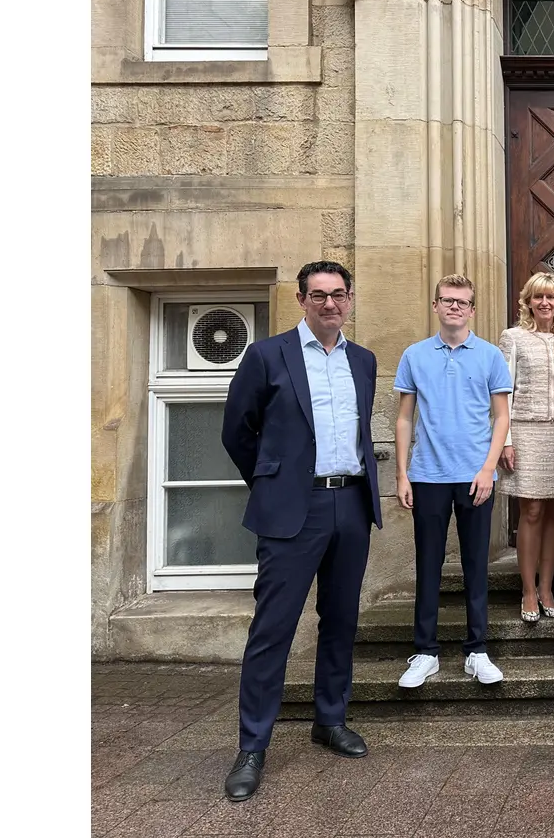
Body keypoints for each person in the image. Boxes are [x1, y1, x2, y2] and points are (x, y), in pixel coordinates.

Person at [219, 261, 383, 801]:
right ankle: (252, 746)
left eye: (339, 295)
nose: (330, 304)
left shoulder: (363, 360)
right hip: (295, 507)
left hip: (351, 504)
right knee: (274, 628)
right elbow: (237, 432)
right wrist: (275, 483)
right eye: (319, 295)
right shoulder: (268, 355)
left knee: (340, 620)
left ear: (351, 299)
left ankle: (329, 719)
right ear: (301, 299)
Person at [394, 274, 513, 689]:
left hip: (475, 476)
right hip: (427, 476)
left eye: (462, 301)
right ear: (436, 306)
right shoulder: (414, 355)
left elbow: (501, 417)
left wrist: (488, 468)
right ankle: (425, 652)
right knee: (428, 565)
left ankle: (476, 650)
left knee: (476, 565)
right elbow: (405, 417)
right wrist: (402, 473)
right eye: (447, 300)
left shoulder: (491, 356)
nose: (454, 307)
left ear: (472, 309)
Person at [498, 272, 554, 622]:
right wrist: (504, 439)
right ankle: (528, 590)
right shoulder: (513, 337)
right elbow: (502, 391)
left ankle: (547, 587)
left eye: (551, 297)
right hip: (525, 431)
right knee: (531, 510)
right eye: (539, 297)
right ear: (529, 302)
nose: (545, 303)